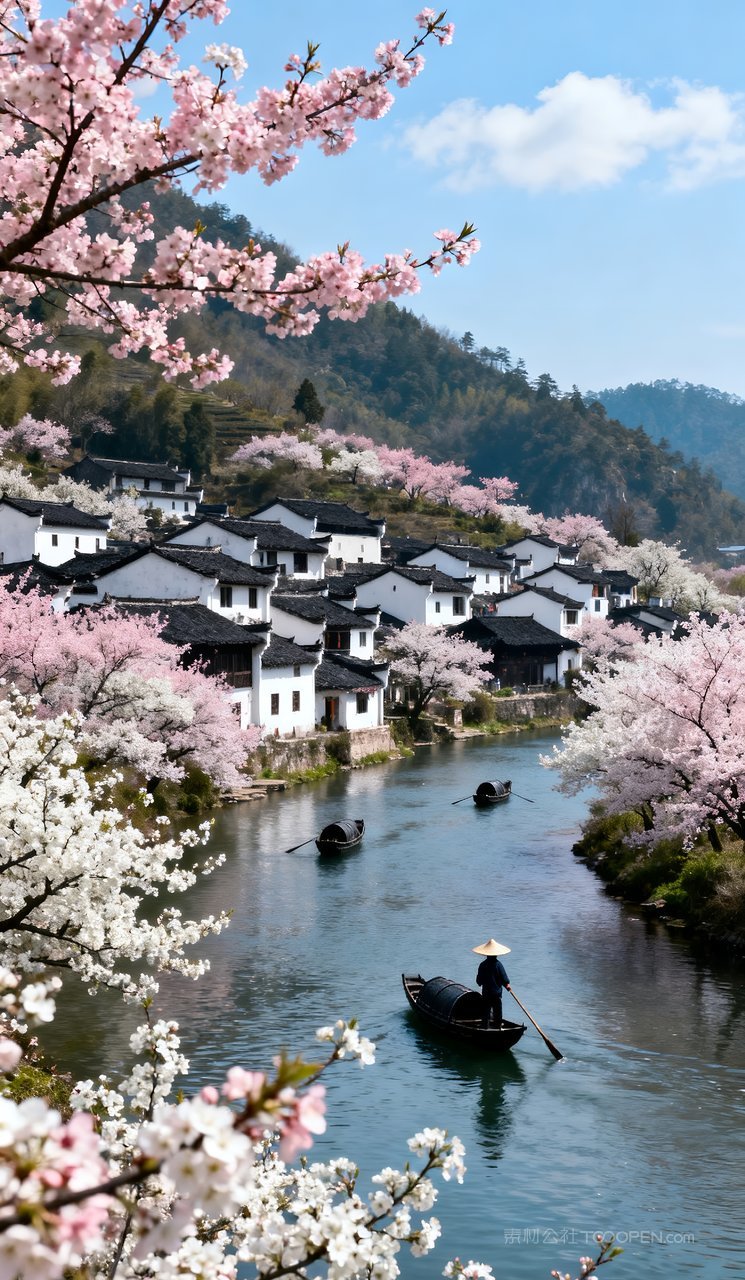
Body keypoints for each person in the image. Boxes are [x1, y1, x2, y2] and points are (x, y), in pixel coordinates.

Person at [472, 938, 511, 1028]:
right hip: (496, 994)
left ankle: (485, 1026)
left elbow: (479, 981)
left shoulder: (483, 965)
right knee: (497, 1012)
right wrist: (507, 985)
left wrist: (481, 982)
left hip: (486, 993)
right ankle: (498, 1026)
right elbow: (504, 979)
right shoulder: (498, 965)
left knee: (486, 1012)